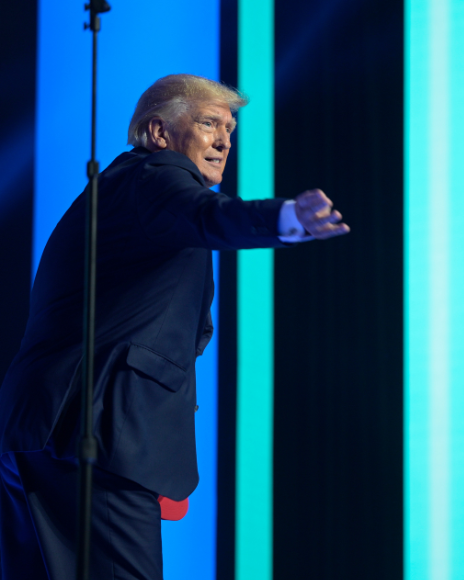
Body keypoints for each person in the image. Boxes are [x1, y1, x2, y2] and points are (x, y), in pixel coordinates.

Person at [0, 74, 348, 580]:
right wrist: (289, 218)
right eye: (209, 123)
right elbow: (211, 216)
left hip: (37, 432)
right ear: (160, 133)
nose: (226, 140)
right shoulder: (154, 176)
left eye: (230, 128)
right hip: (94, 435)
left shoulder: (125, 199)